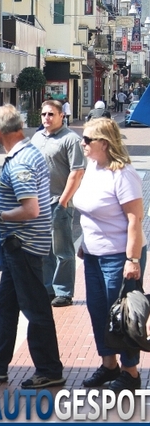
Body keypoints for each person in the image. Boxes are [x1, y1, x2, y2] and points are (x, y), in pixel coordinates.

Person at [0, 104, 65, 389]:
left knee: (36, 308)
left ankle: (49, 369)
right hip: (20, 243)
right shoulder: (28, 151)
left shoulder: (19, 161)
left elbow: (30, 209)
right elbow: (27, 200)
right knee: (7, 304)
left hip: (24, 244)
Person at [74, 117, 147, 391]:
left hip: (119, 257)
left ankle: (130, 373)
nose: (83, 143)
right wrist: (84, 241)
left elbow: (134, 220)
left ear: (103, 144)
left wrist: (133, 259)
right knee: (98, 312)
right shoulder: (93, 167)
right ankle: (109, 365)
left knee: (122, 317)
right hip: (93, 255)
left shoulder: (123, 174)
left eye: (87, 140)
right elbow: (90, 212)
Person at [30, 100, 86, 307]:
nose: (46, 118)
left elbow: (77, 172)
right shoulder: (37, 137)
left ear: (62, 116)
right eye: (44, 114)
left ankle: (64, 291)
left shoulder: (71, 139)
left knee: (61, 250)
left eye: (51, 114)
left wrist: (63, 202)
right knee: (43, 250)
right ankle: (48, 288)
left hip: (58, 203)